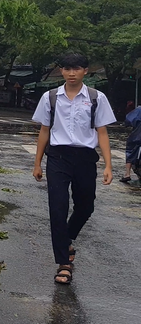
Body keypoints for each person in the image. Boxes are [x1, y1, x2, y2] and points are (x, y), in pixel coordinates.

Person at [31, 53, 116, 285]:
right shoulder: (50, 97)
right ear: (61, 71)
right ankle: (63, 264)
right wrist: (37, 163)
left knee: (86, 206)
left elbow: (102, 132)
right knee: (57, 208)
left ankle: (67, 238)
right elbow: (44, 131)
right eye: (66, 69)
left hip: (85, 158)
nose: (71, 73)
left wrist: (109, 165)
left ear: (85, 71)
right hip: (58, 157)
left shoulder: (96, 98)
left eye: (76, 69)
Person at [120, 105, 141, 183]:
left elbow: (128, 120)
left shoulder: (138, 110)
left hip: (137, 135)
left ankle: (127, 174)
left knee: (130, 150)